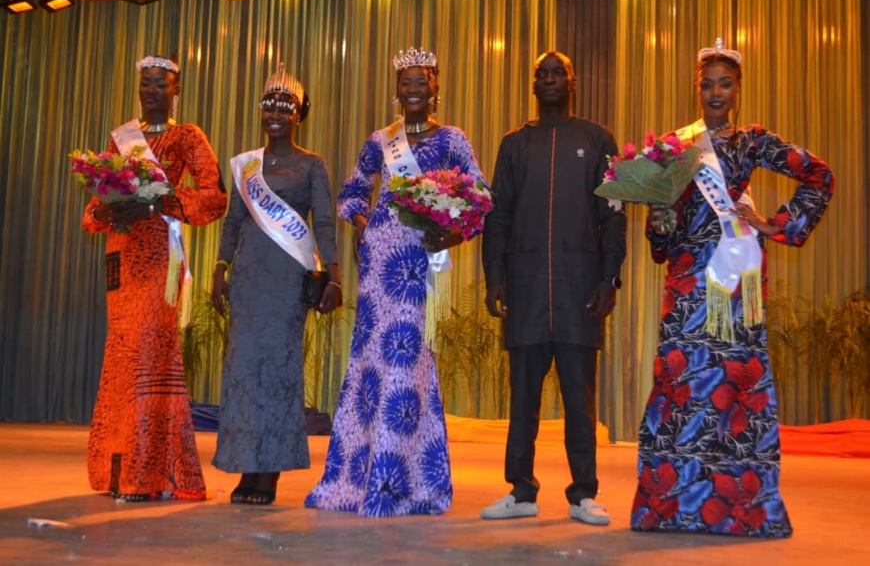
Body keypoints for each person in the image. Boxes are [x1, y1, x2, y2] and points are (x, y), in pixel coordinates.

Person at [631, 39, 835, 537]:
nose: (715, 92)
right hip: (685, 276)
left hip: (734, 274)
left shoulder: (754, 141)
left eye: (725, 83)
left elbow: (819, 175)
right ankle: (669, 504)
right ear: (696, 89)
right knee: (679, 381)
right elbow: (664, 236)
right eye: (707, 84)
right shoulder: (677, 146)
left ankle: (741, 506)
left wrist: (775, 224)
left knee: (733, 380)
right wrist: (658, 219)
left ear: (738, 88)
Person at [305, 47, 486, 517]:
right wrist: (363, 222)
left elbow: (480, 197)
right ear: (396, 90)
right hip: (378, 260)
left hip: (415, 261)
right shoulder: (379, 140)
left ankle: (401, 480)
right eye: (405, 82)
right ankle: (358, 476)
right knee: (371, 358)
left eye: (420, 81)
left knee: (407, 358)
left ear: (435, 88)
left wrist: (448, 232)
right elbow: (349, 193)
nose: (412, 89)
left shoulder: (452, 138)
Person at [479, 51, 626, 525]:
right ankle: (521, 491)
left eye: (556, 72)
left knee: (580, 401)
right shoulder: (514, 144)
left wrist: (609, 278)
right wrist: (495, 277)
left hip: (579, 292)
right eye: (540, 73)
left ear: (572, 79)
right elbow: (496, 215)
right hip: (524, 291)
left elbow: (614, 216)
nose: (547, 79)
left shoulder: (598, 139)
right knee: (522, 399)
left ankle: (584, 493)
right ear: (533, 84)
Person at [82, 55, 227, 501]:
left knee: (149, 354)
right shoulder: (121, 137)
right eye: (145, 83)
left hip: (159, 258)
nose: (151, 91)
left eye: (160, 84)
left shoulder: (188, 136)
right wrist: (110, 209)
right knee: (122, 357)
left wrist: (158, 202)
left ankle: (147, 473)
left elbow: (213, 198)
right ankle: (116, 469)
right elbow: (92, 212)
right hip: (122, 259)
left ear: (176, 89)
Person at [211, 65, 342, 505]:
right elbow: (233, 221)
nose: (276, 112)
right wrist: (219, 268)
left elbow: (323, 222)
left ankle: (269, 472)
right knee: (244, 373)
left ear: (300, 114)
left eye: (286, 106)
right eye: (270, 104)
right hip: (248, 279)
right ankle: (245, 466)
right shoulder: (247, 165)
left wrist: (334, 277)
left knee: (278, 372)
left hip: (287, 281)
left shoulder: (312, 164)